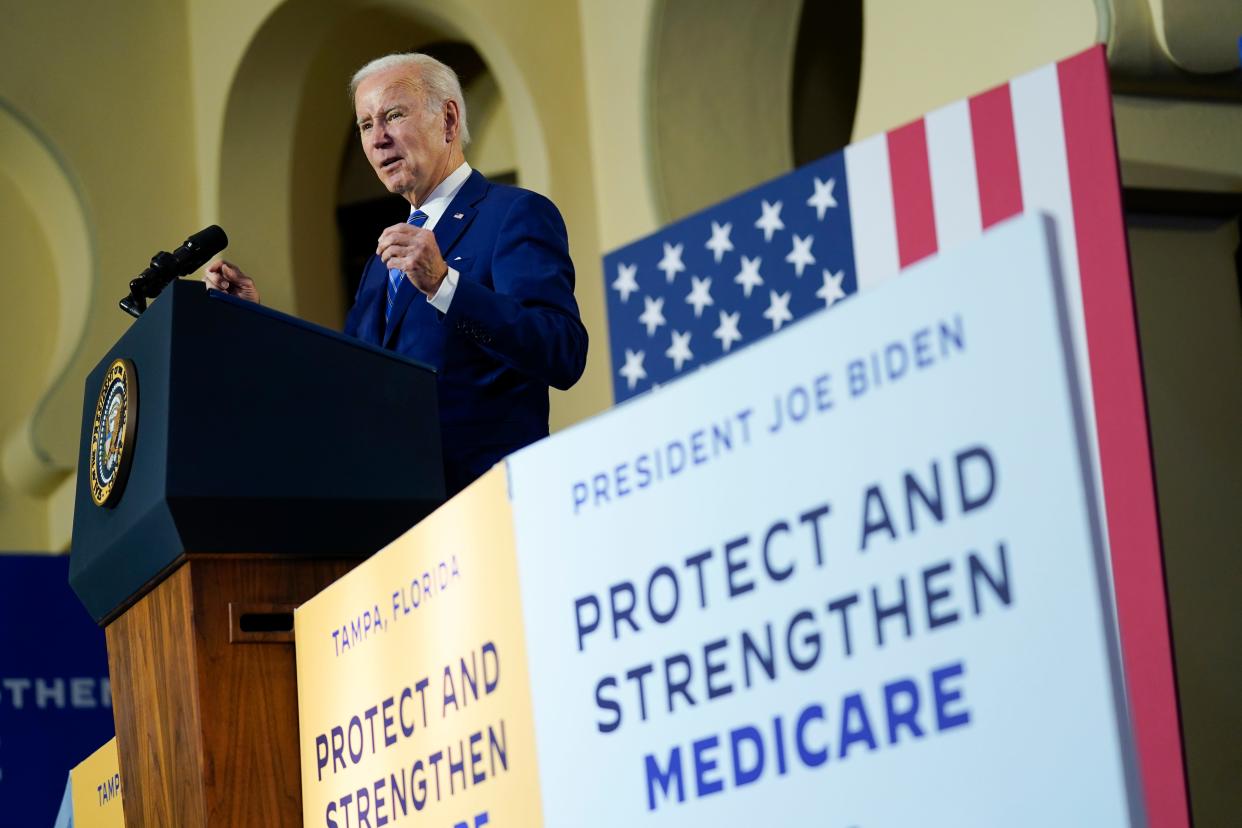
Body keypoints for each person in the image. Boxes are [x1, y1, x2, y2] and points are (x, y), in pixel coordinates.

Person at [205, 53, 588, 495]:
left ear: (447, 119)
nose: (378, 139)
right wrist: (257, 322)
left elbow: (562, 350)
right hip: (398, 523)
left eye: (393, 115)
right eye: (366, 125)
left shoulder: (513, 214)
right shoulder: (379, 266)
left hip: (490, 504)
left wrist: (445, 285)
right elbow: (346, 381)